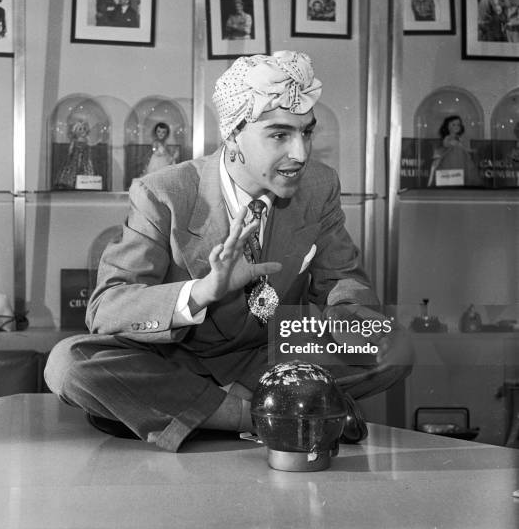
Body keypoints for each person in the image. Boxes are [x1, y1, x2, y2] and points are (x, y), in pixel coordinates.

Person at [45, 50, 413, 452]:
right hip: (174, 361)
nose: (301, 153)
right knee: (70, 364)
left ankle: (189, 415)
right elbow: (107, 308)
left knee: (393, 348)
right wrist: (202, 291)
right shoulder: (164, 193)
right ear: (234, 133)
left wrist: (349, 322)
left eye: (306, 132)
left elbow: (341, 278)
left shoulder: (319, 186)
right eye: (279, 135)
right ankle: (266, 415)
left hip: (268, 358)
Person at [427, 115, 481, 187]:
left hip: (461, 158)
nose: (456, 126)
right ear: (447, 126)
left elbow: (462, 147)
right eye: (453, 124)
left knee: (465, 171)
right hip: (450, 158)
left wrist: (470, 150)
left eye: (458, 125)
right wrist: (452, 144)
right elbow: (446, 144)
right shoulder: (448, 137)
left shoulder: (458, 138)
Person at [54, 119, 96, 189]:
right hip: (75, 157)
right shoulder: (74, 141)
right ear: (75, 131)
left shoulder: (86, 140)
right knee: (72, 168)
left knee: (86, 168)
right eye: (80, 129)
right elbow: (71, 149)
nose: (83, 131)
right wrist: (70, 153)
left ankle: (86, 182)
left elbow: (89, 147)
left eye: (84, 129)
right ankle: (69, 182)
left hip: (85, 157)